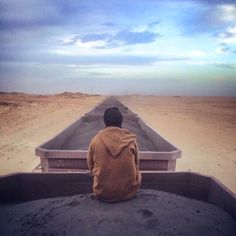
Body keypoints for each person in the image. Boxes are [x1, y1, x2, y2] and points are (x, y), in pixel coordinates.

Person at [87, 107, 141, 202]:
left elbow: (90, 165)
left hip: (102, 192)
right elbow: (136, 163)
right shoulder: (131, 140)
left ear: (105, 122)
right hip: (129, 192)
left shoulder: (95, 140)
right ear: (121, 121)